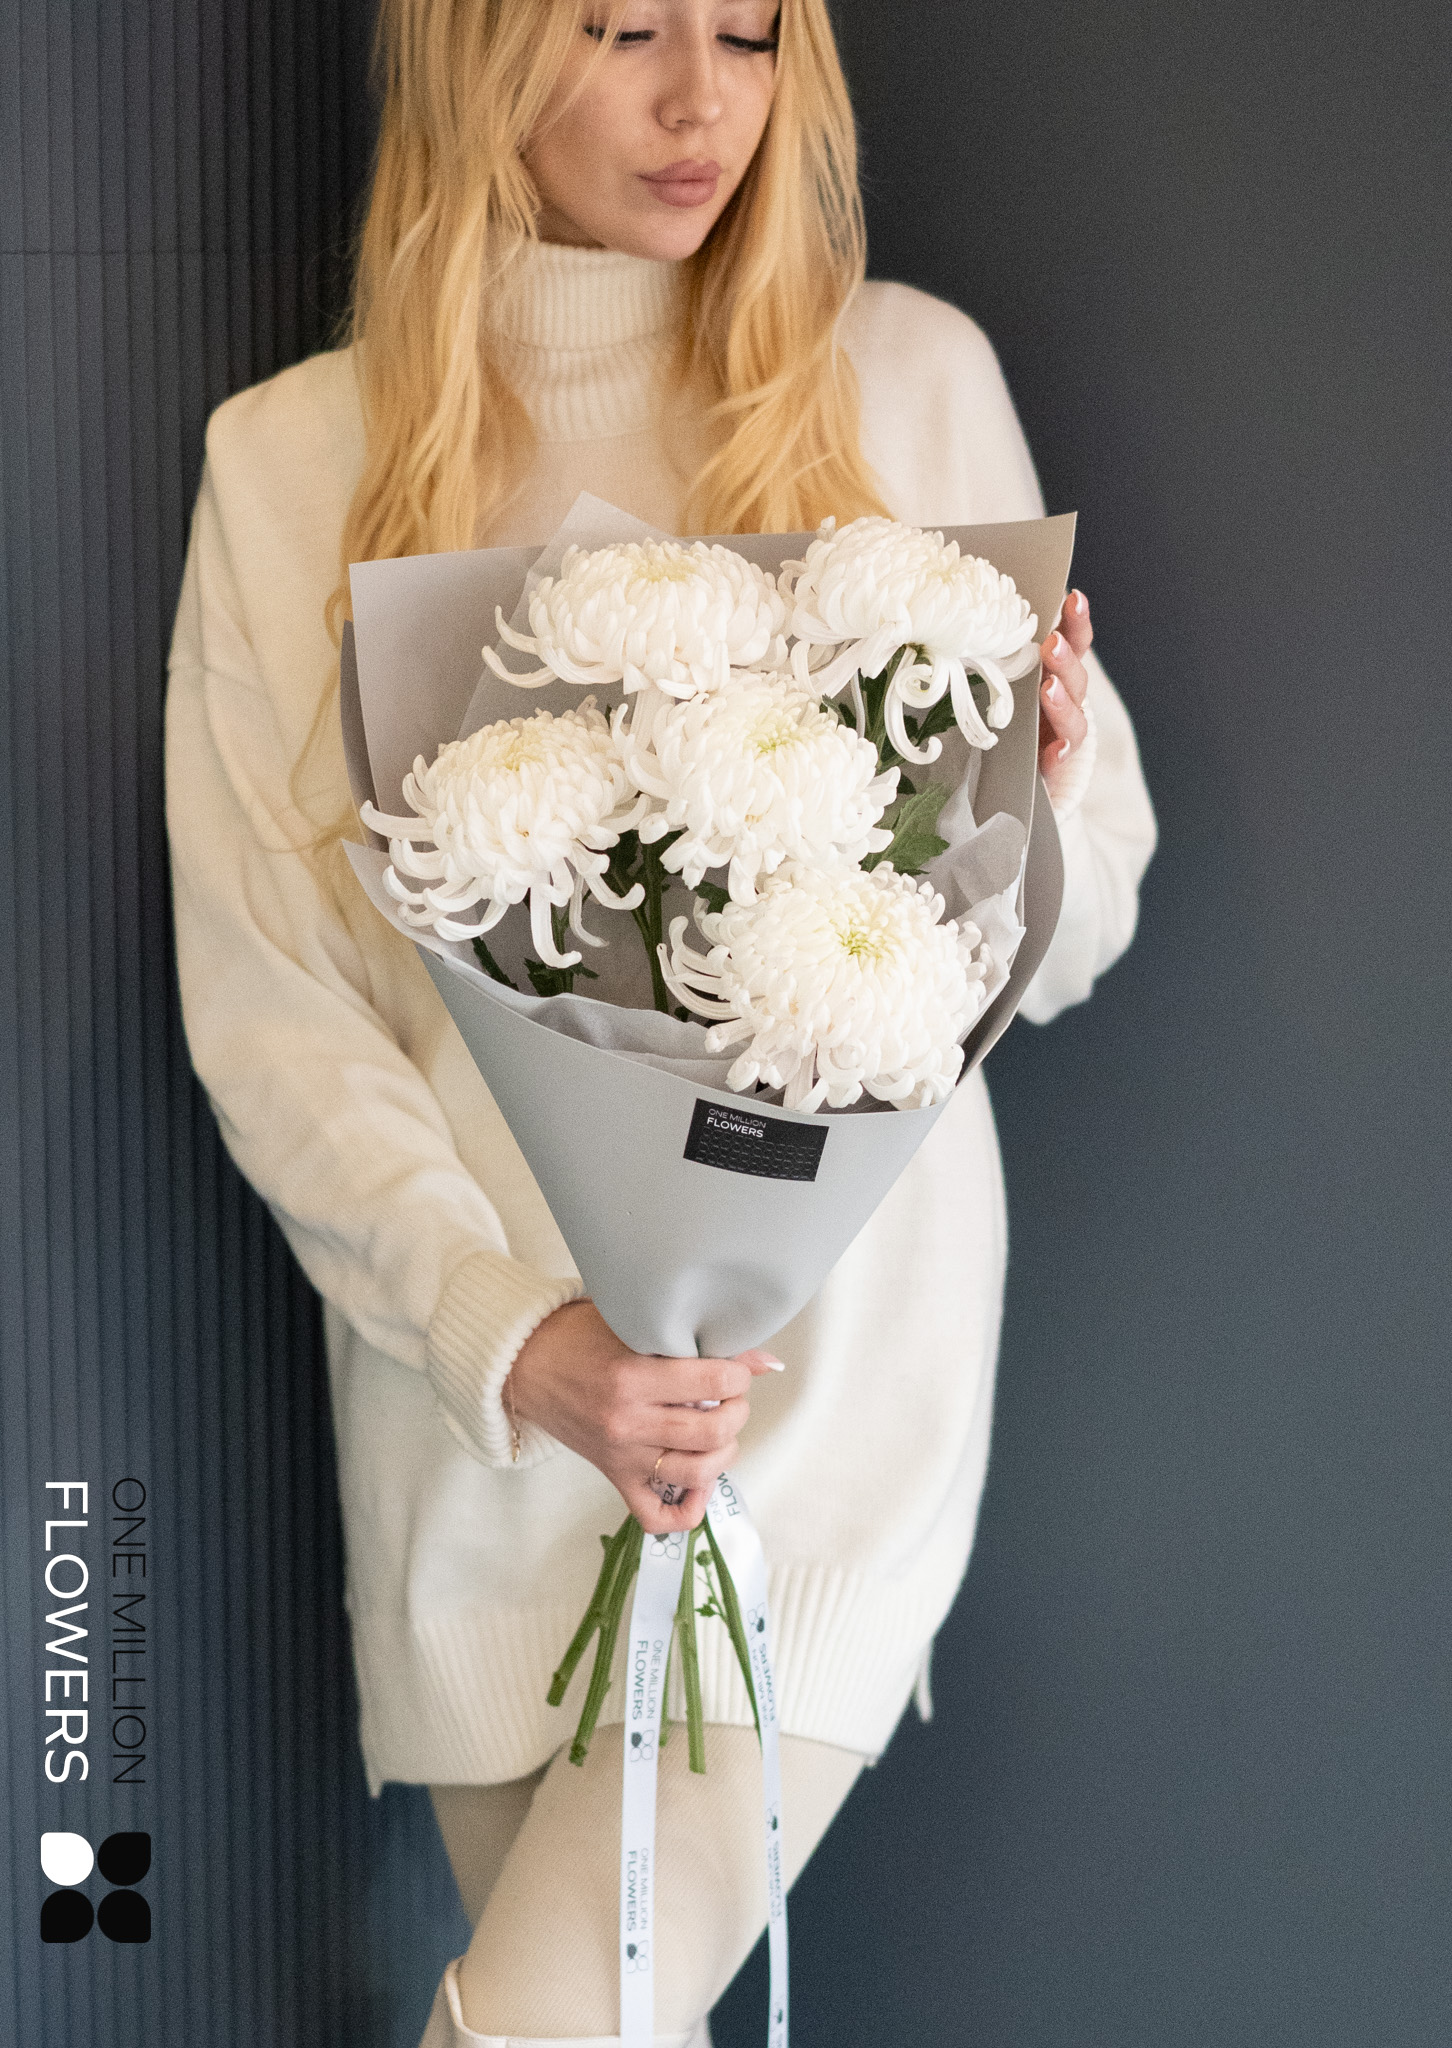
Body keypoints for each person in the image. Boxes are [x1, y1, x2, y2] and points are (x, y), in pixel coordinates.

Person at [164, 1, 1157, 2042]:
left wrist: (1036, 797)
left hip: (817, 1411)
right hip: (480, 1440)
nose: (704, 100)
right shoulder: (287, 464)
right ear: (478, 49)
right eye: (624, 30)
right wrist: (516, 1344)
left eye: (749, 31)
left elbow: (1077, 935)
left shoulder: (908, 379)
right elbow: (278, 1011)